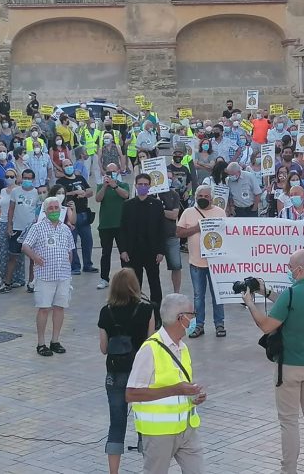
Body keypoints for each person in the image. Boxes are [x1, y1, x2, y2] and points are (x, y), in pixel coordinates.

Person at [240, 249, 304, 474]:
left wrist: (250, 303)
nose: (289, 271)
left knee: (289, 421)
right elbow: (291, 303)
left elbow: (266, 325)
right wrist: (267, 292)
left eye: (290, 267)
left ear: (299, 269)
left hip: (290, 367)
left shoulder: (292, 294)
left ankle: (288, 469)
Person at [127, 292, 206, 474]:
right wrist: (175, 390)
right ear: (181, 318)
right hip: (159, 434)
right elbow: (131, 394)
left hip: (187, 429)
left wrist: (193, 395)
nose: (195, 318)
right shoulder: (149, 350)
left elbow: (180, 386)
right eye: (192, 314)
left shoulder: (182, 347)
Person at [98, 268, 155, 474]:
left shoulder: (106, 312)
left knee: (116, 424)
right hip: (141, 374)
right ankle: (149, 468)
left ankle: (113, 472)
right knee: (145, 424)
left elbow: (104, 348)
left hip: (115, 374)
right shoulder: (147, 310)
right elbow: (151, 345)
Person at [20, 197, 75, 357]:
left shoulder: (65, 229)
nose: (54, 211)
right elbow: (25, 246)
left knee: (59, 307)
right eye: (50, 208)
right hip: (45, 275)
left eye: (56, 208)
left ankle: (55, 340)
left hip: (63, 275)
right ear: (45, 211)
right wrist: (35, 257)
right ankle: (41, 343)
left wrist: (68, 264)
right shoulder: (37, 227)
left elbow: (70, 249)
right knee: (44, 308)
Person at [177, 185, 227, 338]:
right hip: (196, 262)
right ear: (196, 197)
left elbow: (227, 233)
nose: (203, 199)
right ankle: (199, 325)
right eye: (200, 196)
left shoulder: (220, 212)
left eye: (206, 196)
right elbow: (179, 232)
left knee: (217, 295)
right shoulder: (188, 212)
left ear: (212, 198)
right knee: (198, 296)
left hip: (215, 263)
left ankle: (219, 324)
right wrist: (196, 228)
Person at [119, 173, 166, 311]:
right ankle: (134, 311)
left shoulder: (157, 204)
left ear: (150, 186)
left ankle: (156, 313)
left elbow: (161, 229)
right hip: (133, 252)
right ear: (136, 185)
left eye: (146, 184)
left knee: (154, 283)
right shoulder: (128, 205)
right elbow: (122, 229)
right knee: (133, 284)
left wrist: (161, 251)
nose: (143, 187)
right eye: (140, 184)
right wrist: (123, 250)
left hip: (152, 252)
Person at [0, 169, 38, 294]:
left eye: (29, 178)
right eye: (25, 178)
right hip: (17, 229)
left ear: (33, 179)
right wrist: (9, 226)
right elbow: (11, 209)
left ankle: (31, 283)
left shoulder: (36, 193)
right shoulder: (15, 191)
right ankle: (7, 282)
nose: (27, 180)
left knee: (33, 259)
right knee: (12, 256)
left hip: (32, 230)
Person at [95, 163, 130, 290]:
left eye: (113, 171)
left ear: (118, 171)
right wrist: (105, 186)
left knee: (124, 252)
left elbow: (126, 195)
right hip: (105, 225)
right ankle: (104, 278)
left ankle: (126, 279)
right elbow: (98, 199)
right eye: (108, 172)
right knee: (106, 253)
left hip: (121, 225)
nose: (111, 174)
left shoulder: (123, 185)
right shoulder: (101, 186)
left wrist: (115, 186)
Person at [55, 159, 94, 275]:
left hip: (84, 214)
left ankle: (88, 264)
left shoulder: (80, 178)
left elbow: (90, 191)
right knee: (72, 242)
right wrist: (74, 193)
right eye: (66, 165)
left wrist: (84, 193)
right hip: (70, 215)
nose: (68, 167)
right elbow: (59, 194)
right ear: (62, 168)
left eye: (70, 164)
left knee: (88, 241)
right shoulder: (60, 181)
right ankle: (75, 266)